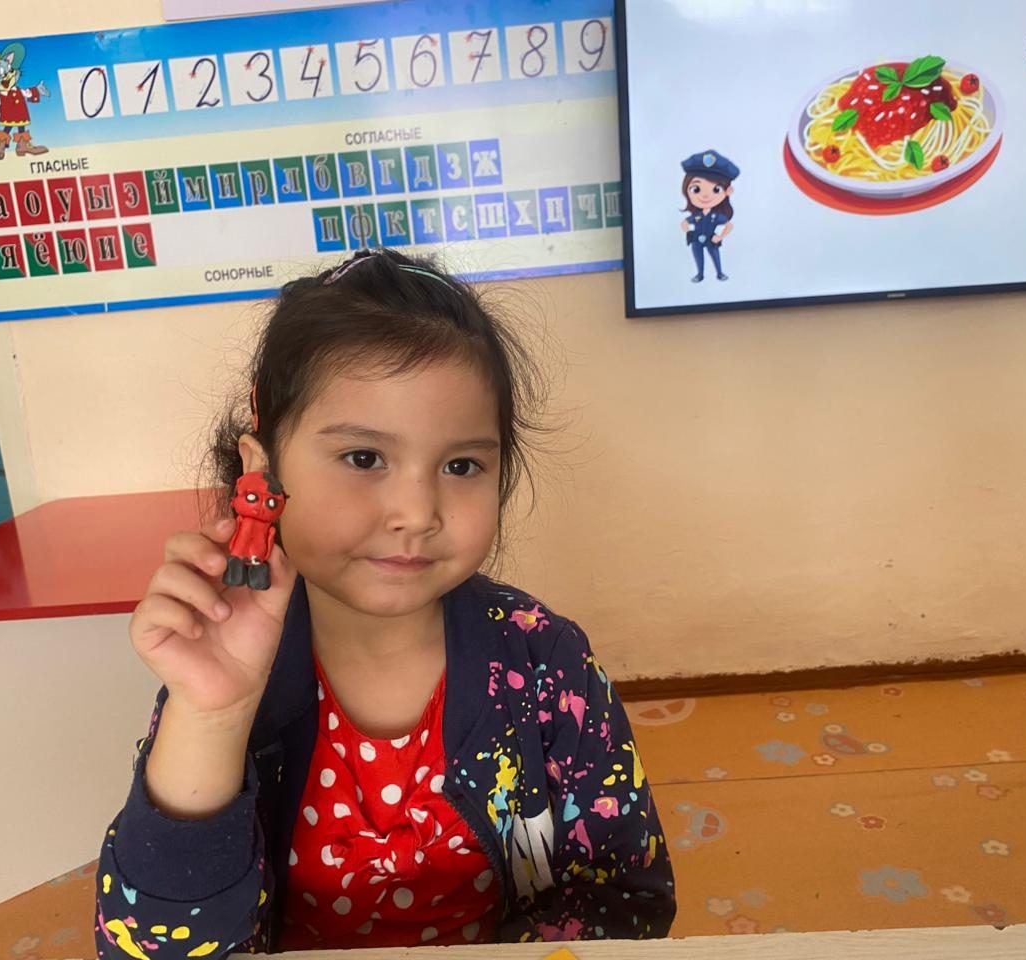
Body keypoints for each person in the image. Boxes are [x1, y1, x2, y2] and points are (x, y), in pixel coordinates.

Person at [93, 249, 676, 958]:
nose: (417, 512)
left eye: (461, 465)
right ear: (262, 472)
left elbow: (626, 897)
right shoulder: (231, 671)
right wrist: (213, 715)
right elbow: (151, 948)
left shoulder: (545, 659)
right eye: (364, 458)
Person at [680, 150, 740, 282]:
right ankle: (700, 274)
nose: (705, 196)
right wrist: (688, 232)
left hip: (711, 240)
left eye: (716, 189)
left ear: (727, 192)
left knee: (715, 256)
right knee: (698, 257)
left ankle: (719, 273)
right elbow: (684, 223)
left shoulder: (716, 215)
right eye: (696, 189)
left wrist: (720, 236)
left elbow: (729, 225)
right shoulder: (696, 215)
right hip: (696, 240)